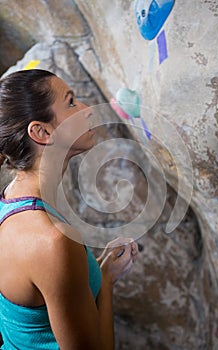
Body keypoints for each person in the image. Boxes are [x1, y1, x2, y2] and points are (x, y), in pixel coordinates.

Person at [0, 69, 138, 349]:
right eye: (71, 102)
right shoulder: (53, 240)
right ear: (42, 131)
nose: (88, 110)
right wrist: (107, 283)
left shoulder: (11, 201)